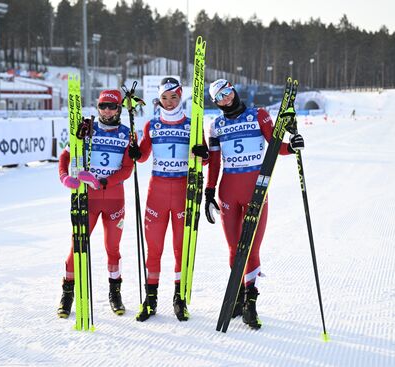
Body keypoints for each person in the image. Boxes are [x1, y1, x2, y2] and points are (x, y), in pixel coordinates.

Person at [204, 79, 304, 329]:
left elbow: (274, 146)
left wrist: (291, 147)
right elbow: (214, 162)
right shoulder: (216, 125)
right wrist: (209, 192)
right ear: (215, 103)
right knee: (233, 247)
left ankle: (251, 302)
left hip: (255, 189)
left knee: (252, 247)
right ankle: (237, 295)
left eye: (228, 92)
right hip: (228, 191)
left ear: (234, 90)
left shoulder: (258, 115)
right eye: (220, 97)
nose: (226, 99)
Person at [128, 77, 209, 322]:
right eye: (165, 98)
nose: (170, 102)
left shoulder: (192, 124)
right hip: (158, 193)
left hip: (183, 192)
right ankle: (150, 299)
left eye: (174, 97)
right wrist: (135, 152)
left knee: (180, 249)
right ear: (159, 99)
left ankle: (179, 299)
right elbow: (141, 157)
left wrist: (203, 155)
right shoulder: (152, 125)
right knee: (154, 249)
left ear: (181, 96)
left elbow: (204, 159)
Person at [57, 89, 134, 318]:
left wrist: (102, 182)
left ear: (119, 108)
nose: (107, 111)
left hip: (113, 199)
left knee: (113, 248)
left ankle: (115, 292)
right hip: (86, 200)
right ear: (98, 107)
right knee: (77, 247)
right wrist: (64, 177)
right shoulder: (86, 129)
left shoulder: (126, 134)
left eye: (112, 107)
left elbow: (128, 169)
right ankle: (67, 293)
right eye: (103, 106)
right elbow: (65, 157)